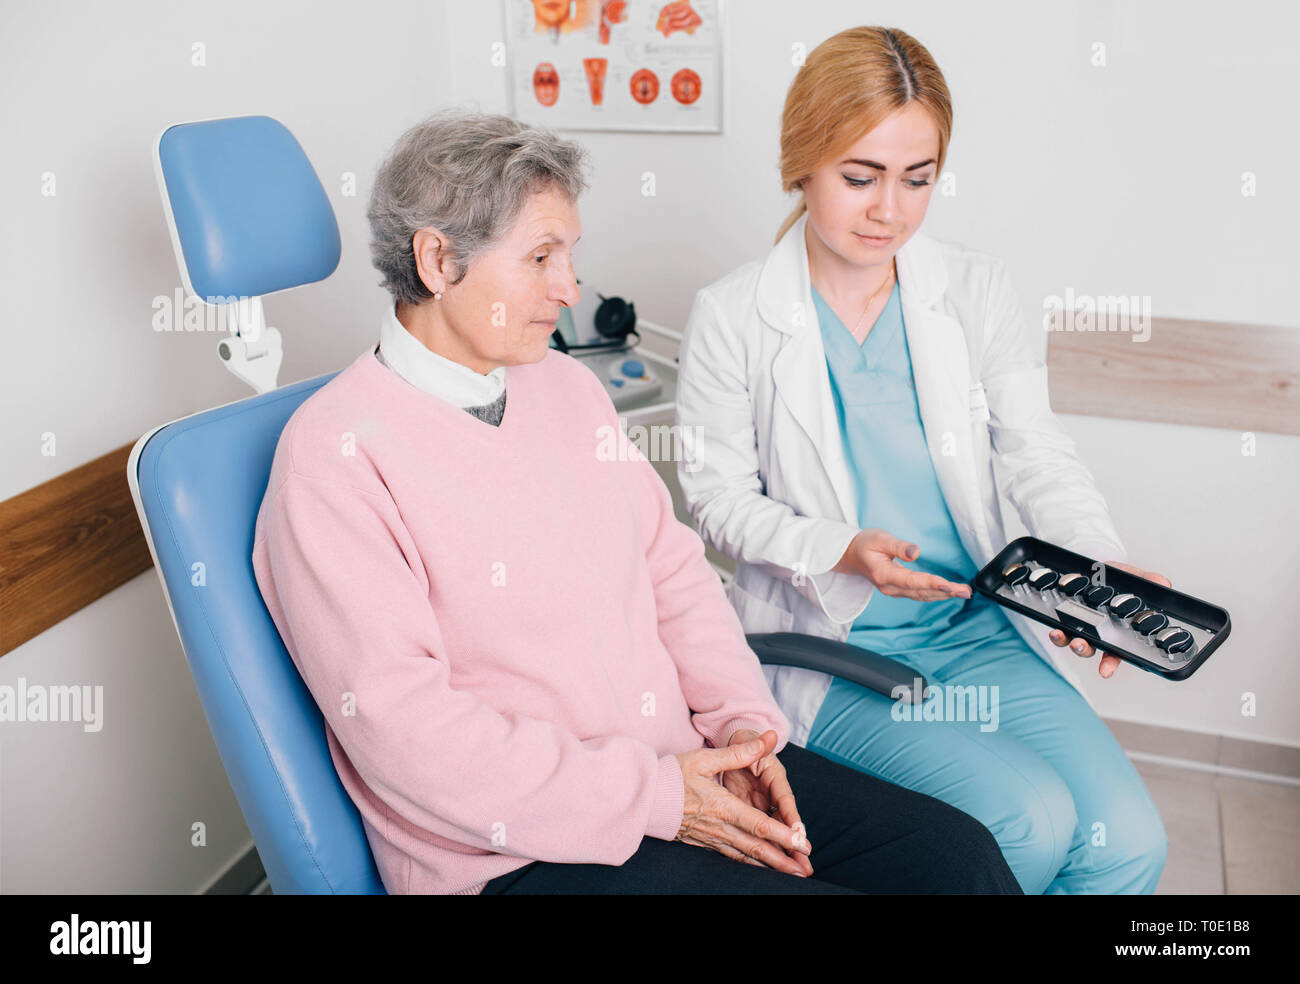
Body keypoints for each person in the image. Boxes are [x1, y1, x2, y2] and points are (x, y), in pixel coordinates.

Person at [251, 109, 1021, 895]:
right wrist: (657, 798)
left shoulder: (566, 388)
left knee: (957, 859)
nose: (569, 288)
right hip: (518, 853)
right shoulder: (336, 458)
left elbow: (674, 573)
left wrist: (746, 732)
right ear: (439, 260)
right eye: (541, 257)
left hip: (682, 769)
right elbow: (409, 734)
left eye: (570, 254)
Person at [674, 26, 1170, 894]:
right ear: (802, 163)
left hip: (976, 630)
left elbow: (1036, 453)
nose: (889, 211)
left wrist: (1097, 567)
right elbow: (714, 501)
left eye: (918, 179)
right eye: (859, 177)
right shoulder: (731, 314)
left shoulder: (973, 290)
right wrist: (840, 545)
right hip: (831, 642)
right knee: (1027, 825)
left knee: (1126, 842)